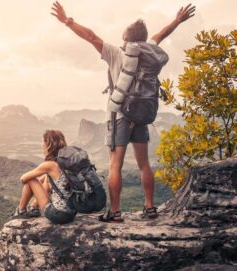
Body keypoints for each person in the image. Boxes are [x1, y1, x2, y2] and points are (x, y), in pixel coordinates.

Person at [50, 1, 195, 222]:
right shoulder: (149, 51)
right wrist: (177, 20)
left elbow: (92, 37)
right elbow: (160, 35)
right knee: (144, 163)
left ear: (127, 39)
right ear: (144, 39)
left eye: (123, 37)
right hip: (142, 114)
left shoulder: (117, 53)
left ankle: (115, 212)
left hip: (120, 116)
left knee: (115, 163)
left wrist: (68, 21)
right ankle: (149, 208)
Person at [12, 130, 76, 224]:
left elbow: (23, 179)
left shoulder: (49, 165)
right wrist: (42, 179)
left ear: (48, 145)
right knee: (46, 177)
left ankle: (20, 211)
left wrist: (36, 182)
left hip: (58, 215)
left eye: (43, 142)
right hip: (71, 214)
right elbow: (51, 181)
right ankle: (34, 208)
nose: (41, 144)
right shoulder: (66, 162)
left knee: (31, 179)